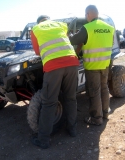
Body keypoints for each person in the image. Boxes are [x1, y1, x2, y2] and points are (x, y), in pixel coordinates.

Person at [30, 15, 79, 149]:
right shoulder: (61, 25)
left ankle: (43, 140)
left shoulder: (35, 29)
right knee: (70, 98)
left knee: (49, 103)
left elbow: (37, 51)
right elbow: (66, 41)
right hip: (72, 62)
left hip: (53, 67)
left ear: (39, 22)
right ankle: (72, 130)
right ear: (49, 20)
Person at [69, 5, 115, 125]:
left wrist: (69, 35)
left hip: (92, 66)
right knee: (104, 88)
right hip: (105, 64)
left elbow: (73, 41)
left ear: (88, 14)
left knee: (94, 91)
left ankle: (96, 118)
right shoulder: (109, 28)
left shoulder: (87, 28)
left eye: (85, 15)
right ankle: (105, 113)